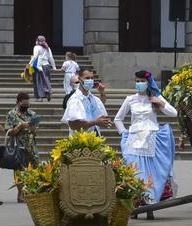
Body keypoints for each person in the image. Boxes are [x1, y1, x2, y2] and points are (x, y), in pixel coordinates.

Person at [115, 70, 179, 204]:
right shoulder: (130, 99)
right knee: (134, 170)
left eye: (142, 81)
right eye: (137, 81)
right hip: (134, 139)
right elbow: (118, 119)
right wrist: (124, 133)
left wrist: (160, 102)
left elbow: (174, 113)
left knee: (152, 173)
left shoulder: (156, 97)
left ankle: (150, 201)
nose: (139, 83)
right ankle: (137, 200)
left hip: (151, 138)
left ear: (148, 82)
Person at [6, 92, 41, 203]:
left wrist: (33, 128)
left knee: (36, 168)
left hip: (31, 146)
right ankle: (21, 194)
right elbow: (9, 132)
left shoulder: (32, 114)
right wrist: (20, 126)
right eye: (24, 103)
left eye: (27, 103)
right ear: (18, 102)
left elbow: (36, 132)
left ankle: (32, 192)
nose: (26, 105)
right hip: (18, 145)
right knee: (19, 171)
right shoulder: (12, 114)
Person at [62, 69, 112, 135]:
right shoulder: (75, 99)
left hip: (95, 138)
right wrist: (95, 122)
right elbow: (73, 125)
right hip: (80, 140)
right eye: (87, 78)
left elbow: (101, 103)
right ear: (79, 79)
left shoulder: (93, 98)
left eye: (92, 78)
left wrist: (103, 122)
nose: (90, 80)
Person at [29, 36, 56, 101]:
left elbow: (35, 57)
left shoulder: (36, 47)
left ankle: (40, 97)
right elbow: (51, 58)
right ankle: (47, 90)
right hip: (47, 66)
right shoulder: (48, 48)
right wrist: (54, 67)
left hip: (39, 66)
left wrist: (29, 64)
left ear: (37, 41)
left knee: (38, 81)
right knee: (46, 80)